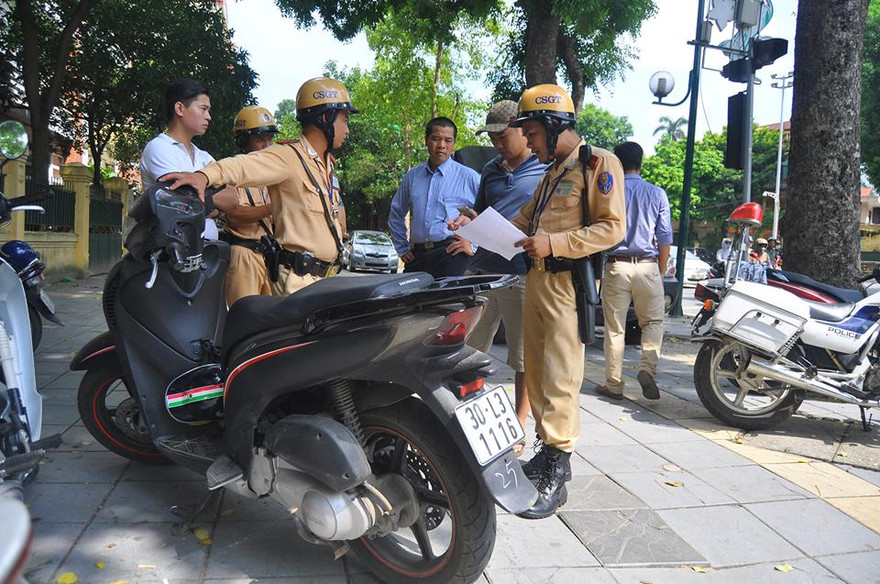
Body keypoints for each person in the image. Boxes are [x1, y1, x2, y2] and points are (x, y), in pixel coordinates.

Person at [451, 84, 625, 519]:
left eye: (530, 131)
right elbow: (522, 223)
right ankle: (547, 456)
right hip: (536, 282)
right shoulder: (550, 174)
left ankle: (557, 472)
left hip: (568, 285)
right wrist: (479, 227)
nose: (526, 141)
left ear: (552, 124)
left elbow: (612, 228)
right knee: (540, 375)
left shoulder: (598, 164)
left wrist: (555, 243)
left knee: (562, 377)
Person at [160, 77, 357, 295]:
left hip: (321, 277)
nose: (347, 129)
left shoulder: (324, 165)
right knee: (247, 319)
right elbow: (240, 166)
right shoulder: (288, 157)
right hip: (296, 278)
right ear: (325, 118)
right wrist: (204, 176)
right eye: (344, 119)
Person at [464, 100, 547, 445]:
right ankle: (466, 410)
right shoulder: (490, 171)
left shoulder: (544, 170)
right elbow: (482, 213)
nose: (498, 144)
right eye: (493, 138)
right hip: (483, 269)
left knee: (522, 355)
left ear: (523, 132)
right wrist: (468, 223)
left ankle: (518, 423)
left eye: (503, 136)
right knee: (467, 347)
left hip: (522, 273)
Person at [595, 141, 672, 402]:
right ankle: (646, 369)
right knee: (653, 323)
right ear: (641, 163)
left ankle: (614, 384)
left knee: (615, 329)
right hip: (648, 266)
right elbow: (664, 237)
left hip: (616, 265)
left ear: (616, 162)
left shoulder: (607, 192)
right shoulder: (657, 193)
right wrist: (659, 271)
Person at [140, 79, 239, 238]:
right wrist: (215, 209)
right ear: (179, 108)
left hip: (205, 256)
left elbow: (233, 198)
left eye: (209, 111)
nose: (208, 117)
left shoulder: (203, 156)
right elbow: (181, 203)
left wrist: (200, 199)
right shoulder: (159, 148)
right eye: (203, 109)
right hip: (169, 255)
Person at [388, 117, 480, 277]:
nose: (441, 146)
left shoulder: (469, 177)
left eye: (448, 140)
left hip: (452, 254)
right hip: (417, 256)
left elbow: (488, 216)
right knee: (411, 300)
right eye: (436, 139)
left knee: (447, 302)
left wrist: (473, 246)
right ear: (426, 140)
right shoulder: (413, 177)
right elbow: (396, 214)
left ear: (454, 143)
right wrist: (402, 248)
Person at [221, 106, 279, 306]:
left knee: (271, 320)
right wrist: (274, 207)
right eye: (260, 139)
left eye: (270, 139)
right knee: (243, 316)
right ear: (244, 141)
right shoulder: (232, 172)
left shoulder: (273, 175)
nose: (267, 145)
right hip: (243, 254)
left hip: (270, 255)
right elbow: (235, 215)